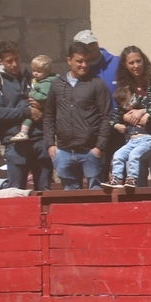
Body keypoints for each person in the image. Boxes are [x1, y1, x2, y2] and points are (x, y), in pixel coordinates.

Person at [44, 40, 114, 190]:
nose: (84, 65)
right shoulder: (57, 84)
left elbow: (107, 117)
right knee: (71, 196)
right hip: (63, 151)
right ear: (69, 60)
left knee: (96, 195)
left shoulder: (97, 84)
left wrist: (99, 148)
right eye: (79, 61)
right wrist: (50, 144)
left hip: (90, 151)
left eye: (87, 61)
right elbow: (49, 115)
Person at [0, 42, 45, 192]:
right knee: (16, 192)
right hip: (15, 144)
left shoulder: (30, 76)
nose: (14, 64)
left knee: (45, 191)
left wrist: (43, 105)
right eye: (9, 61)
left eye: (17, 59)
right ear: (1, 61)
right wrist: (27, 112)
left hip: (40, 140)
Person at [107, 46, 151, 188]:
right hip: (135, 137)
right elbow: (119, 110)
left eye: (138, 61)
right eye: (131, 63)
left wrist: (144, 113)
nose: (136, 65)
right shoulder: (124, 85)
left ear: (144, 61)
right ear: (125, 65)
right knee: (135, 179)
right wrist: (125, 118)